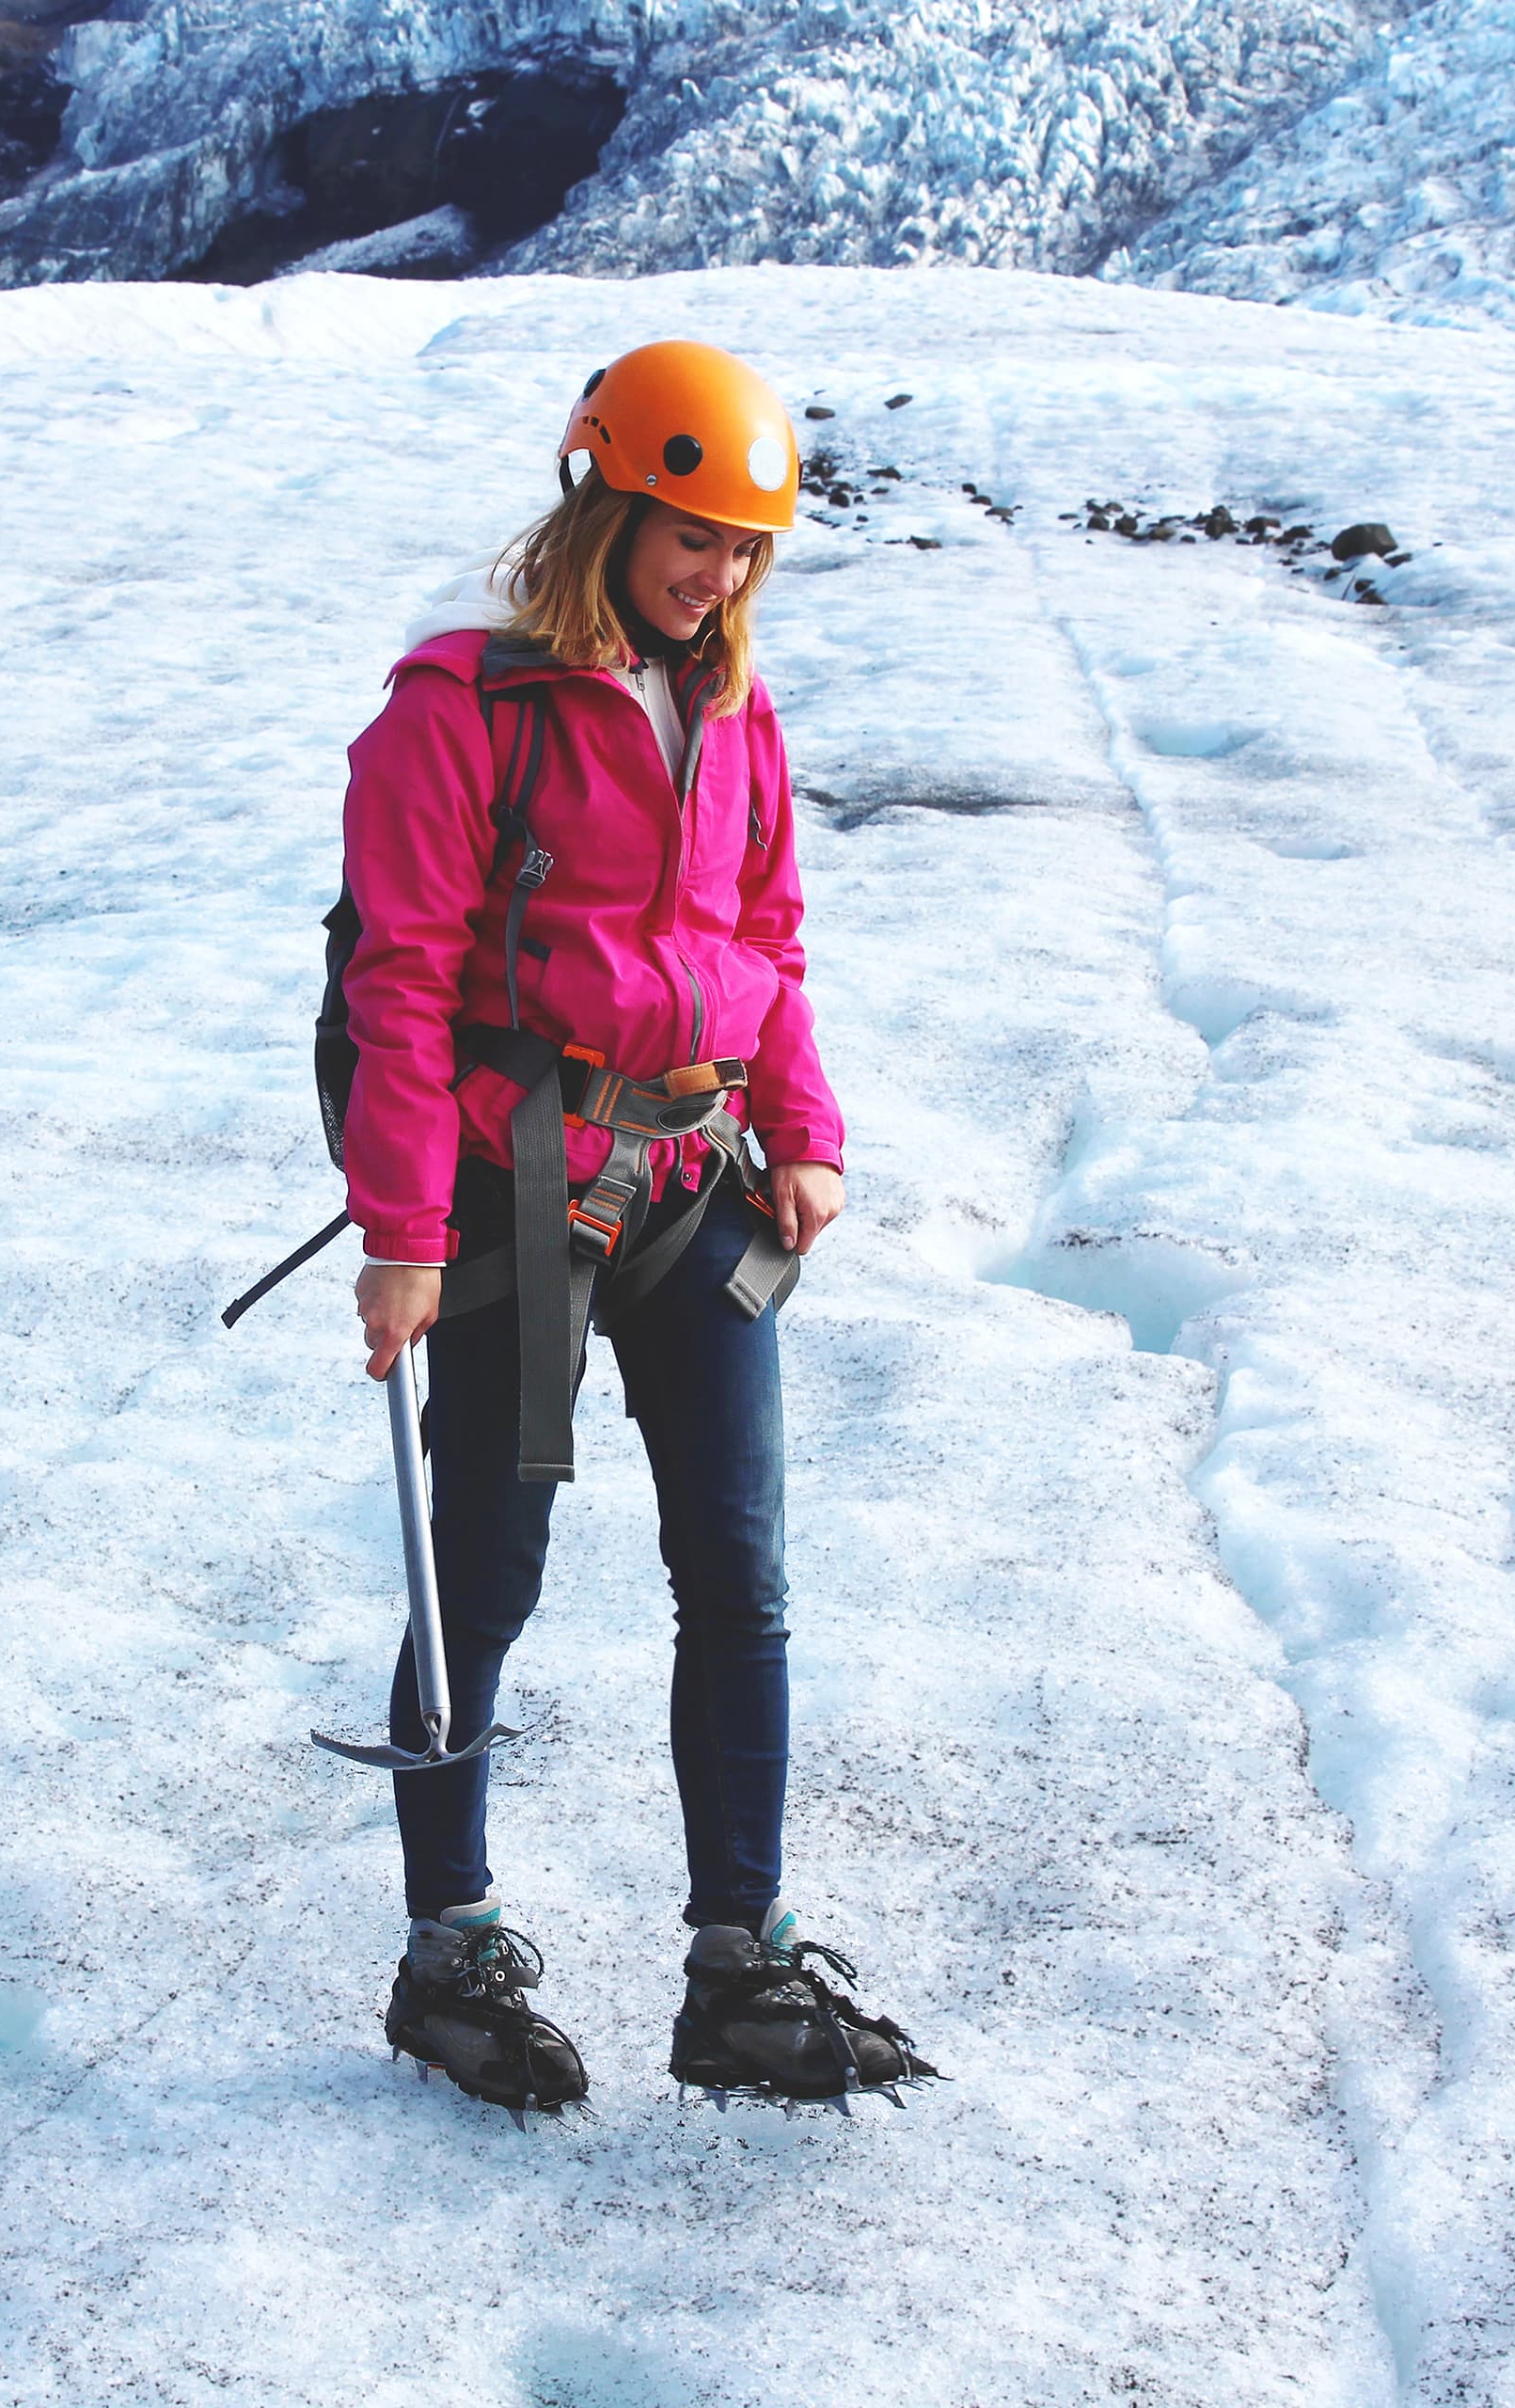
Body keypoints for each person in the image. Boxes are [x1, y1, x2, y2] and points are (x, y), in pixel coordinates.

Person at [333, 341, 934, 2115]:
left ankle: (737, 1964)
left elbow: (771, 943)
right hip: (513, 1185)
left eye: (746, 547)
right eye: (694, 534)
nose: (720, 574)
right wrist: (401, 1229)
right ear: (609, 503)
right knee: (487, 1578)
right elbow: (403, 981)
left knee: (738, 1574)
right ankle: (451, 1952)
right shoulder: (463, 709)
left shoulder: (738, 715)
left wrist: (805, 1128)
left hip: (696, 1179)